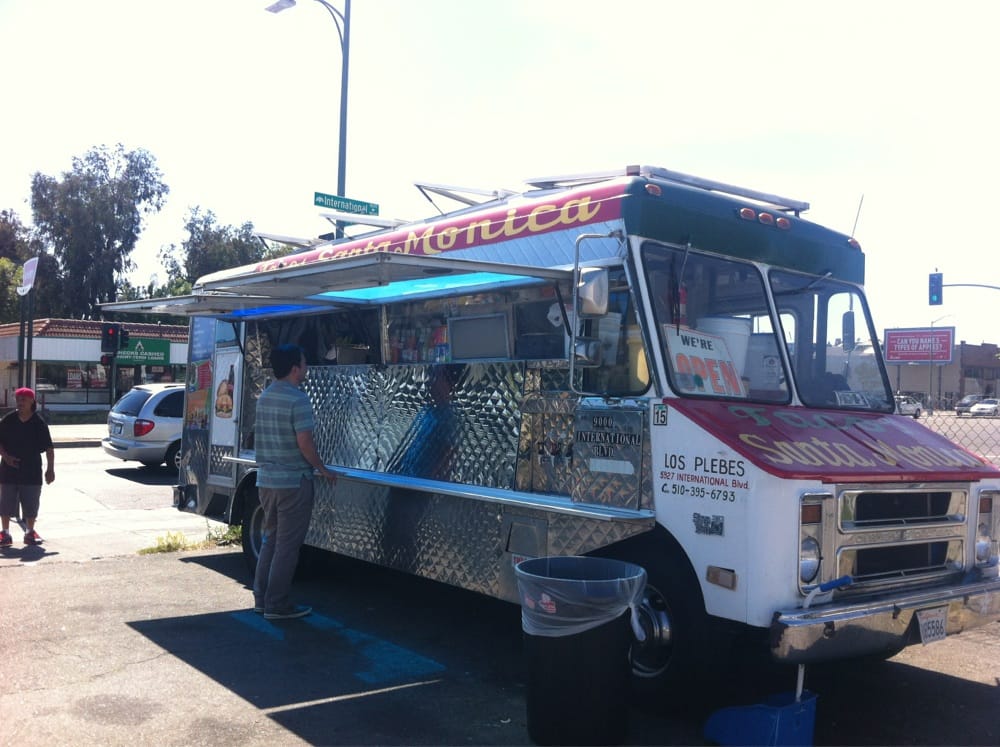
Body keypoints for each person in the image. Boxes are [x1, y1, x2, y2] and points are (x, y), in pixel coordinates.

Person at [252, 344, 336, 620]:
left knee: (270, 541)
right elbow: (305, 442)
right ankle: (277, 604)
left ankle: (261, 599)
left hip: (266, 481)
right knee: (287, 547)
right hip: (293, 481)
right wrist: (322, 468)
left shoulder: (264, 396)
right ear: (294, 368)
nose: (307, 367)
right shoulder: (298, 399)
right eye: (304, 362)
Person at [0, 387, 55, 547]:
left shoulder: (39, 423)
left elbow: (49, 449)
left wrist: (50, 469)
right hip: (8, 469)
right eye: (18, 399)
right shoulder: (8, 420)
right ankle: (5, 533)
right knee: (5, 503)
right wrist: (6, 457)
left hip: (31, 470)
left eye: (24, 399)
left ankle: (30, 532)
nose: (20, 402)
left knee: (31, 502)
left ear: (32, 401)